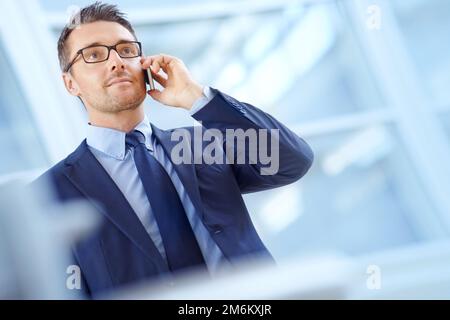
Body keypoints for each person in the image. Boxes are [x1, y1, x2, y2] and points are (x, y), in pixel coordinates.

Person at [32, 1, 314, 298]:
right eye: (93, 55)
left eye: (127, 50)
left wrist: (196, 97)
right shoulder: (47, 195)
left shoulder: (202, 144)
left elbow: (291, 160)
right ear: (70, 83)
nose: (117, 62)